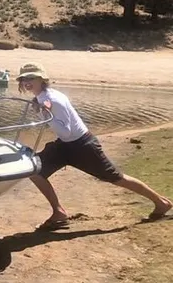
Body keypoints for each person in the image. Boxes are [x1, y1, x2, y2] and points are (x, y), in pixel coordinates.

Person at [17, 62, 171, 230]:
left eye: (31, 77)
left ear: (41, 79)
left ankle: (161, 202)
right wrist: (42, 110)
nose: (27, 81)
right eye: (24, 78)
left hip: (82, 146)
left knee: (116, 178)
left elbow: (66, 131)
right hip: (64, 146)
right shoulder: (42, 96)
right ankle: (58, 212)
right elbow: (63, 134)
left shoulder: (52, 99)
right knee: (35, 171)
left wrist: (44, 114)